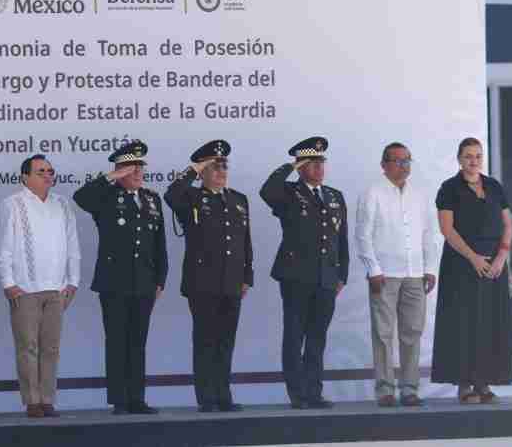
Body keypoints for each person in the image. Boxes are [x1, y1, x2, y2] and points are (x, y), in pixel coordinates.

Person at [73, 140, 168, 415]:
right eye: (132, 168)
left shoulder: (152, 198)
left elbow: (158, 242)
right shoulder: (105, 197)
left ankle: (137, 398)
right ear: (120, 171)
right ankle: (120, 399)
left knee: (138, 342)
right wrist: (111, 177)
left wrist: (160, 278)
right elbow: (82, 197)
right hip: (114, 282)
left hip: (144, 281)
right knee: (117, 341)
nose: (139, 172)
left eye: (140, 167)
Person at [259, 136, 349, 410]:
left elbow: (340, 239)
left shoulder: (334, 196)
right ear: (301, 167)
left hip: (326, 278)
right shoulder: (288, 193)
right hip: (296, 277)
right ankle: (297, 394)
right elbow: (266, 190)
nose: (319, 167)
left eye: (322, 162)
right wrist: (291, 165)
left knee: (317, 338)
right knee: (295, 336)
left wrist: (341, 275)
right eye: (312, 163)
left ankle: (314, 391)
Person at [163, 140, 252, 413]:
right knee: (205, 341)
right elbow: (170, 194)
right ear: (202, 171)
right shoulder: (190, 197)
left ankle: (223, 395)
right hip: (202, 282)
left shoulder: (238, 199)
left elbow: (245, 241)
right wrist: (195, 168)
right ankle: (207, 398)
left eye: (224, 165)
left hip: (232, 281)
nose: (221, 171)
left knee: (226, 341)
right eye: (214, 166)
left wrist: (247, 275)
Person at [354, 142, 441, 407]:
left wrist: (429, 268)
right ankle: (384, 389)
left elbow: (430, 233)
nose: (404, 166)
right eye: (397, 161)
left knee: (412, 332)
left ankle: (410, 388)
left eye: (407, 161)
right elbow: (362, 235)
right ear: (384, 164)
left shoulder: (420, 194)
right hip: (384, 274)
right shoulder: (373, 192)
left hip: (415, 273)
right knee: (383, 333)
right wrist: (373, 269)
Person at [431, 137, 512, 404]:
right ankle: (465, 384)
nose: (474, 160)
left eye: (478, 156)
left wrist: (502, 255)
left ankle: (485, 382)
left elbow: (508, 224)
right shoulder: (449, 188)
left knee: (489, 323)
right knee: (464, 324)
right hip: (461, 264)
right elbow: (447, 230)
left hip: (494, 264)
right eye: (468, 156)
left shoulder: (493, 186)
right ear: (459, 159)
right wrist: (473, 258)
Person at [0, 154, 81, 418]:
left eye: (50, 171)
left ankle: (47, 399)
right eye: (41, 171)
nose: (47, 175)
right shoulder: (13, 204)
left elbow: (72, 246)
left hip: (56, 289)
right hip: (25, 288)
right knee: (28, 346)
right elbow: (2, 247)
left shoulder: (62, 204)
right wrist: (8, 283)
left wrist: (73, 281)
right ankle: (32, 401)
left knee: (51, 348)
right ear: (25, 177)